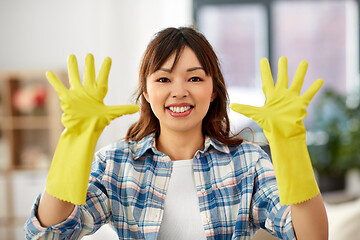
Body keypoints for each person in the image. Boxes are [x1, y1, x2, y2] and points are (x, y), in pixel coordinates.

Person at [24, 27, 328, 239]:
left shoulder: (247, 162)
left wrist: (290, 144)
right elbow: (48, 235)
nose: (179, 91)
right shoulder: (117, 164)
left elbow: (310, 236)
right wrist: (74, 140)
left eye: (194, 78)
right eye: (163, 79)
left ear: (212, 91)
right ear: (146, 91)